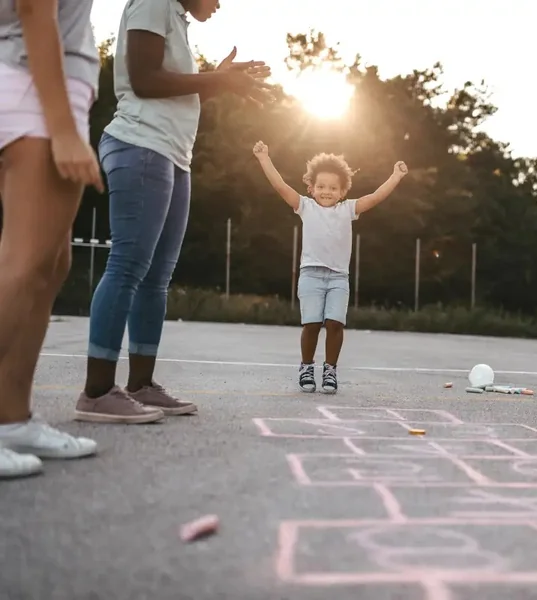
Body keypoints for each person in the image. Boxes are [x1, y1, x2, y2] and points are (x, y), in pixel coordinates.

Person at [75, 0, 272, 424]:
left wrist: (217, 80)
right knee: (128, 266)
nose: (220, 3)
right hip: (141, 143)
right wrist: (217, 78)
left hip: (172, 154)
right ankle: (96, 391)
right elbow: (144, 80)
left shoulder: (176, 18)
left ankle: (141, 385)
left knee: (155, 279)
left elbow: (171, 83)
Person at [0, 0, 104, 478]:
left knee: (49, 265)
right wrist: (62, 129)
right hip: (37, 90)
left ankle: (11, 418)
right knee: (22, 266)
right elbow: (34, 6)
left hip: (41, 86)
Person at [252, 141, 408, 393]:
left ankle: (330, 370)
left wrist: (396, 176)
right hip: (311, 275)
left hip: (338, 278)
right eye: (321, 186)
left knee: (335, 324)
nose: (327, 191)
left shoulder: (348, 210)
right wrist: (263, 158)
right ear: (311, 188)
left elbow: (375, 197)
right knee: (311, 324)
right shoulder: (305, 206)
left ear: (343, 191)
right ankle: (306, 366)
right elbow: (280, 185)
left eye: (333, 188)